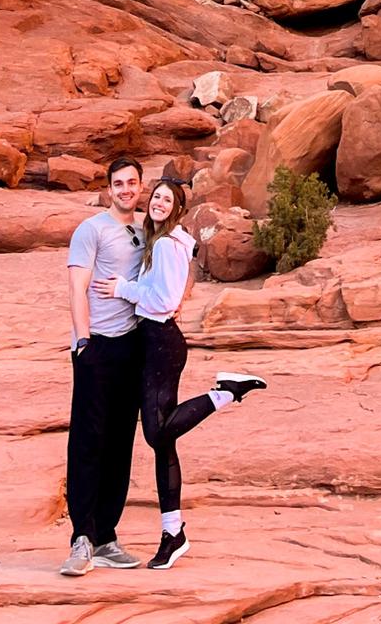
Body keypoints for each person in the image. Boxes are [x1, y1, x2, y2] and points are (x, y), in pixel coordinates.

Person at [95, 178, 267, 569]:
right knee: (162, 443)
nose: (158, 203)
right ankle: (173, 533)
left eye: (166, 200)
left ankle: (226, 392)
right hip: (150, 342)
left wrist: (124, 289)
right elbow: (169, 289)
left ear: (176, 209)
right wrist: (133, 287)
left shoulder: (170, 246)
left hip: (162, 345)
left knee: (157, 433)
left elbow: (165, 299)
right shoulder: (159, 242)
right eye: (155, 196)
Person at [61, 156, 146, 577]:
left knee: (121, 441)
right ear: (109, 188)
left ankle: (107, 536)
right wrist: (82, 341)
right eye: (119, 183)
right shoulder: (91, 229)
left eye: (132, 182)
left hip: (134, 346)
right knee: (88, 441)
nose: (126, 189)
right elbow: (77, 285)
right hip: (97, 347)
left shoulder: (148, 228)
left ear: (140, 186)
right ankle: (82, 536)